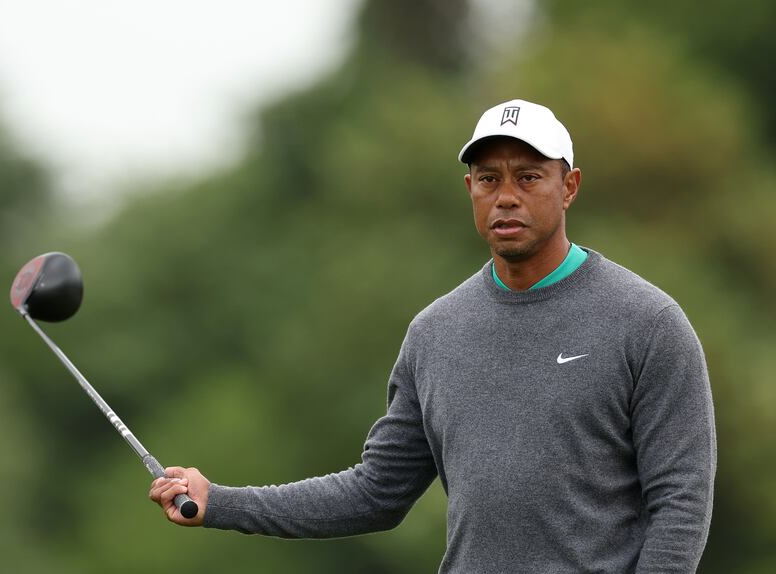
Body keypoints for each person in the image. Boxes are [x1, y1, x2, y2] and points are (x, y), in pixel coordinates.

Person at [150, 99, 716, 572]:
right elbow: (377, 492)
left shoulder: (647, 323)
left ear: (568, 187)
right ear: (469, 188)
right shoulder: (436, 332)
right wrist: (221, 502)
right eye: (489, 179)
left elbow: (680, 503)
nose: (507, 196)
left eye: (529, 177)